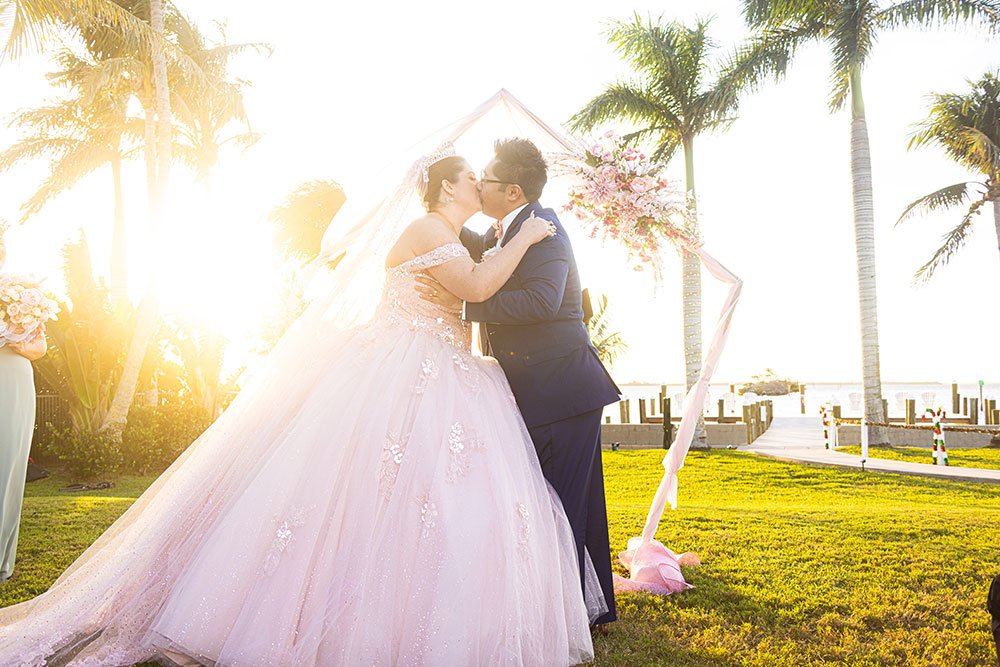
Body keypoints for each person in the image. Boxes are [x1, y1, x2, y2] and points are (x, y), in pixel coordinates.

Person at [0, 148, 604, 667]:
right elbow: (474, 287)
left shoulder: (455, 236)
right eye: (472, 176)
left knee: (442, 499)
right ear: (447, 185)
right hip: (401, 366)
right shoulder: (427, 228)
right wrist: (524, 236)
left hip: (444, 367)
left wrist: (503, 249)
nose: (482, 184)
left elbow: (469, 290)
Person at [418, 137, 622, 628]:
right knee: (547, 501)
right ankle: (580, 606)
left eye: (484, 179)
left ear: (512, 191)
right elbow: (447, 245)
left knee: (566, 505)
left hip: (561, 389)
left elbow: (541, 302)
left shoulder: (546, 231)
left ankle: (569, 616)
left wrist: (464, 305)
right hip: (526, 390)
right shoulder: (496, 232)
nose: (478, 185)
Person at [0, 231, 48, 583]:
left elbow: (40, 347)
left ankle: (2, 558)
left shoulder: (19, 293)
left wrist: (17, 344)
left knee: (9, 464)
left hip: (14, 381)